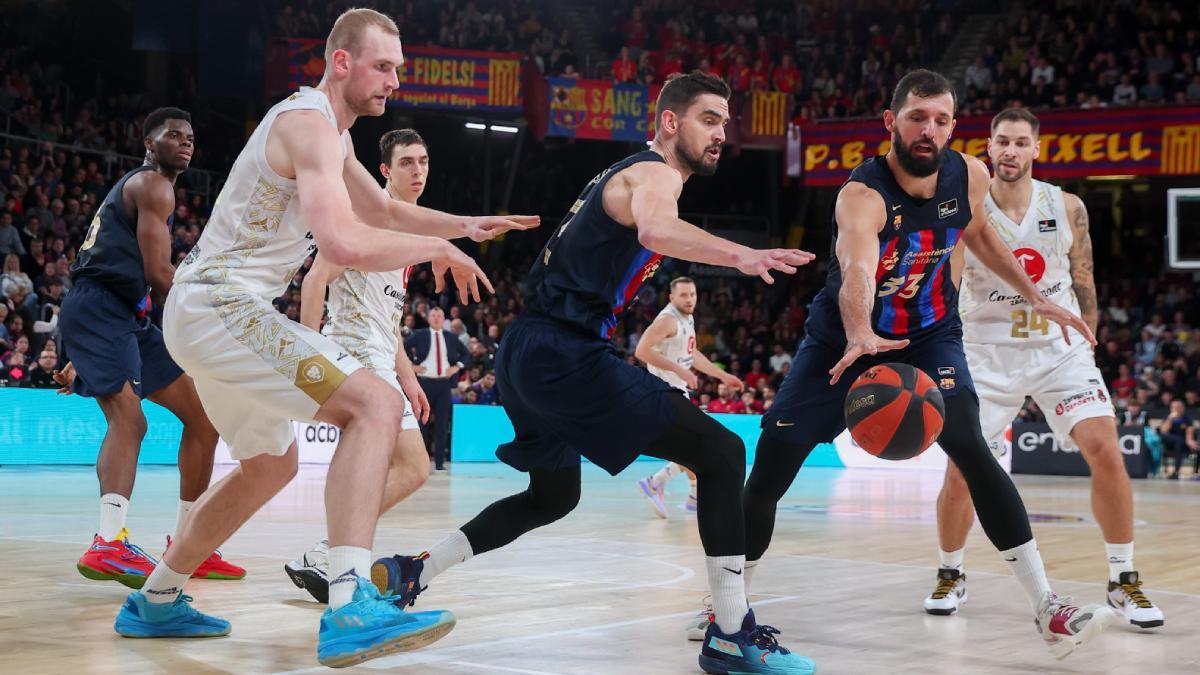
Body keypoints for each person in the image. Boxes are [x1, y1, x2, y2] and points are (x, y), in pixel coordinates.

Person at [111, 10, 536, 669]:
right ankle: (347, 603)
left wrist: (466, 224)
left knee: (270, 466)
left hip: (209, 312)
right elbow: (341, 243)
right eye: (384, 66)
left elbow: (384, 211)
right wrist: (432, 245)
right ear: (343, 63)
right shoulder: (308, 122)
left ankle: (156, 598)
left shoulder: (333, 139)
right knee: (374, 403)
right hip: (218, 302)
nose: (396, 79)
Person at [371, 70, 820, 675]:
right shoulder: (656, 173)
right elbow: (658, 230)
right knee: (719, 453)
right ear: (670, 122)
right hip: (564, 351)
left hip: (528, 350)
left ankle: (414, 571)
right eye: (709, 119)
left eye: (725, 121)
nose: (722, 132)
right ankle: (732, 632)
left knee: (553, 496)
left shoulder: (624, 174)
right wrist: (742, 255)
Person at [739, 70, 1116, 660]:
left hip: (930, 334)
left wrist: (1035, 295)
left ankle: (1049, 609)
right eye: (917, 117)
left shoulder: (969, 172)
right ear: (891, 122)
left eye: (941, 119)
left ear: (953, 127)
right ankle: (728, 609)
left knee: (971, 446)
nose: (929, 129)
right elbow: (859, 269)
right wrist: (861, 331)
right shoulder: (861, 194)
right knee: (771, 465)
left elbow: (982, 234)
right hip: (844, 340)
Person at [927, 107, 1164, 628]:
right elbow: (950, 280)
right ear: (987, 148)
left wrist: (1090, 337)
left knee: (1105, 446)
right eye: (1001, 142)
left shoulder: (1068, 205)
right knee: (962, 471)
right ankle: (951, 572)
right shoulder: (967, 205)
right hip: (985, 351)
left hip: (1058, 347)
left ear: (1036, 149)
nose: (1009, 151)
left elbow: (1083, 277)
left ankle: (1123, 580)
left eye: (1019, 142)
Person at [53, 107, 245, 590]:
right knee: (130, 418)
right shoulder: (152, 184)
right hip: (101, 309)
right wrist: (221, 319)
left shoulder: (153, 189)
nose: (185, 142)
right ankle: (108, 542)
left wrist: (83, 350)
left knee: (204, 418)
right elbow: (161, 275)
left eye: (191, 137)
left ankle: (189, 544)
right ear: (148, 143)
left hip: (123, 316)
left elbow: (133, 275)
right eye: (173, 135)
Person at [284, 128, 437, 604]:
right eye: (407, 163)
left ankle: (329, 555)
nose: (418, 170)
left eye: (424, 161)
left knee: (405, 469)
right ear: (385, 172)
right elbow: (314, 284)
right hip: (353, 353)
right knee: (412, 466)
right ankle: (333, 557)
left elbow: (388, 317)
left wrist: (409, 378)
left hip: (380, 357)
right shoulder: (358, 219)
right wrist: (310, 360)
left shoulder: (408, 231)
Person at [634, 276, 744, 520]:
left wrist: (723, 376)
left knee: (696, 445)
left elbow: (691, 354)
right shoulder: (667, 319)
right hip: (665, 392)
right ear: (672, 297)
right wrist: (679, 370)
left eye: (692, 294)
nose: (689, 299)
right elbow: (641, 350)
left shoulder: (687, 318)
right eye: (683, 295)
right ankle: (659, 484)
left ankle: (691, 496)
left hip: (677, 390)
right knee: (701, 442)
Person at [406, 305, 466, 470]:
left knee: (441, 424)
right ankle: (420, 461)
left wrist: (457, 366)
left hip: (444, 384)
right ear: (428, 318)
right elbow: (402, 348)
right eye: (433, 316)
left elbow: (466, 354)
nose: (436, 318)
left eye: (439, 316)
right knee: (422, 423)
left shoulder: (451, 337)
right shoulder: (420, 335)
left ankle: (439, 463)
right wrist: (412, 365)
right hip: (424, 383)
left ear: (444, 318)